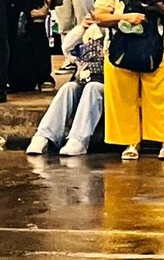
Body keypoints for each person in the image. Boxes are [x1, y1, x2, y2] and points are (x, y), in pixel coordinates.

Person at [94, 0, 164, 160]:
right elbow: (99, 17)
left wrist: (161, 7)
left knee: (160, 96)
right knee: (123, 98)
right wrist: (125, 18)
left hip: (155, 49)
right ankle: (130, 143)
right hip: (119, 51)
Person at [25, 16, 105, 156]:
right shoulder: (88, 33)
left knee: (93, 88)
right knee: (68, 88)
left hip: (108, 84)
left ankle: (79, 139)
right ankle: (44, 135)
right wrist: (82, 27)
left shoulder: (116, 30)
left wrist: (110, 24)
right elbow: (67, 48)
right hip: (83, 80)